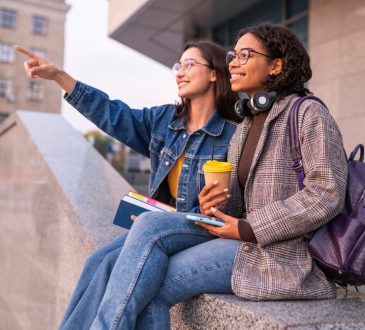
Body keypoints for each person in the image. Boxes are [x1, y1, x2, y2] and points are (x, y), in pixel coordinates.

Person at [16, 40, 240, 328]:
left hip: (203, 228)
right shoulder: (164, 121)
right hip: (166, 225)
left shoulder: (233, 134)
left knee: (142, 242)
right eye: (177, 66)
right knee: (99, 261)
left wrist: (220, 202)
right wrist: (60, 77)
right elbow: (114, 114)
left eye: (189, 65)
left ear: (213, 74)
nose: (179, 72)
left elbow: (243, 198)